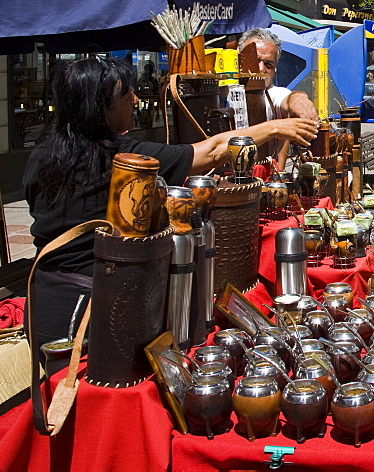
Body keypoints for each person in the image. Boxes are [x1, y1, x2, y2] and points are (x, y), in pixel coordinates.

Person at [24, 57, 317, 358]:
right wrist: (275, 128)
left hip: (42, 298)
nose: (136, 100)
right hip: (93, 308)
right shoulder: (124, 161)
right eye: (128, 95)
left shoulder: (43, 156)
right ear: (102, 110)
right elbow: (214, 151)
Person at [238, 28, 319, 167]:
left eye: (268, 64)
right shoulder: (225, 93)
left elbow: (288, 98)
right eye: (255, 61)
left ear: (275, 68)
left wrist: (298, 99)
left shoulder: (274, 94)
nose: (261, 69)